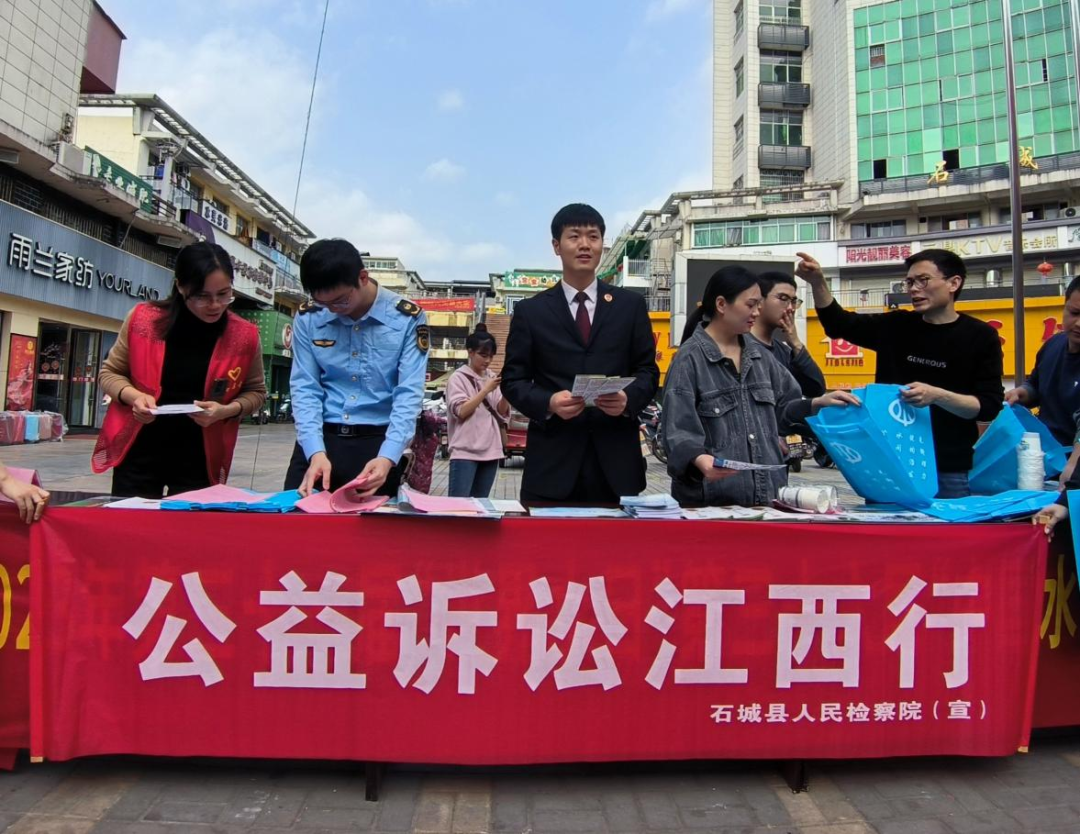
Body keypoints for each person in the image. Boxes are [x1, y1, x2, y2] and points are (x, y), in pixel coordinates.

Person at [796, 248, 1003, 499]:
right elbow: (838, 324)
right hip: (889, 464)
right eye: (909, 282)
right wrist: (817, 281)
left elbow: (988, 406)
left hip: (947, 468)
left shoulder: (980, 336)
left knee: (947, 525)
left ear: (953, 283)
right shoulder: (896, 326)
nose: (914, 289)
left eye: (923, 280)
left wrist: (938, 396)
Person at [662, 265, 859, 507]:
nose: (757, 312)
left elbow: (784, 410)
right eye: (750, 304)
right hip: (712, 503)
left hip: (768, 500)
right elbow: (678, 430)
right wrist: (698, 459)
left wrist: (818, 403)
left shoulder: (761, 357)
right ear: (721, 304)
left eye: (758, 304)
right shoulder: (689, 360)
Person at [501, 203, 660, 504]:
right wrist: (549, 402)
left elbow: (648, 371)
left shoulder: (630, 306)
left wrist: (627, 400)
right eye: (574, 236)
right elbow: (513, 380)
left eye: (593, 236)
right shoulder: (531, 312)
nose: (585, 244)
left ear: (602, 244)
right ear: (556, 246)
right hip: (551, 467)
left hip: (616, 468)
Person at [93, 242, 266, 498]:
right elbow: (109, 373)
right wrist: (134, 397)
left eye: (224, 294)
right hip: (139, 450)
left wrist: (225, 411)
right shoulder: (143, 320)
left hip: (200, 456)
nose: (215, 305)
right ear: (181, 287)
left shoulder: (244, 336)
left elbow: (256, 392)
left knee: (188, 522)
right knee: (133, 521)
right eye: (202, 296)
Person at [285, 239, 427, 498]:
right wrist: (314, 451)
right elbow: (305, 387)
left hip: (377, 446)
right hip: (320, 441)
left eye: (340, 301)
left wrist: (388, 456)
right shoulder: (309, 317)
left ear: (362, 277)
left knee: (372, 523)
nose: (332, 310)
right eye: (323, 303)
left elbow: (408, 394)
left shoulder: (407, 319)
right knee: (294, 519)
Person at [1005, 275, 1080, 447]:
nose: (1078, 323)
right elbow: (1035, 385)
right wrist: (1021, 393)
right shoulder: (1053, 344)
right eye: (1074, 313)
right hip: (1042, 450)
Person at [445, 325, 510, 498]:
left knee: (481, 505)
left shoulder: (492, 377)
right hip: (465, 451)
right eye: (483, 355)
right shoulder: (458, 378)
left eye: (491, 356)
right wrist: (485, 390)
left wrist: (508, 391)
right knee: (458, 507)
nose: (488, 360)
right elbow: (461, 411)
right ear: (470, 352)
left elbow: (501, 411)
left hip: (492, 450)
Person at [748, 271, 825, 397]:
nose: (790, 308)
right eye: (783, 299)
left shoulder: (784, 351)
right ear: (759, 301)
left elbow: (816, 389)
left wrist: (796, 343)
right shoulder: (737, 345)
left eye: (794, 301)